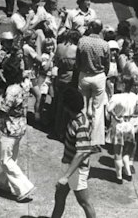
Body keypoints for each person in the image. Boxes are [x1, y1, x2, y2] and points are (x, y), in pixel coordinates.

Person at [46, 86, 98, 218]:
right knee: (59, 196)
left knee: (84, 202)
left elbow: (81, 153)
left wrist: (66, 176)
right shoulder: (75, 119)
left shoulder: (81, 125)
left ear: (67, 106)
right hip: (68, 165)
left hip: (76, 170)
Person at [0, 58, 35, 202]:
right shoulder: (24, 85)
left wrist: (0, 97)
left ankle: (24, 187)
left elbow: (4, 109)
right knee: (13, 157)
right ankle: (3, 183)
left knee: (5, 160)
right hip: (21, 125)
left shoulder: (11, 90)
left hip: (10, 127)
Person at [76, 19, 109, 147]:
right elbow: (107, 64)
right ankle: (95, 140)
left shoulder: (82, 41)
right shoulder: (104, 44)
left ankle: (81, 136)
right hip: (99, 76)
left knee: (82, 107)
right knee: (98, 109)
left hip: (84, 75)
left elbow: (78, 60)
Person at [106, 75, 138, 182]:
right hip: (129, 125)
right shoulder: (135, 97)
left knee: (117, 152)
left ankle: (118, 176)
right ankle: (128, 172)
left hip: (119, 126)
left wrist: (115, 115)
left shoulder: (116, 97)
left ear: (123, 85)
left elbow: (109, 109)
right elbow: (137, 112)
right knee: (127, 151)